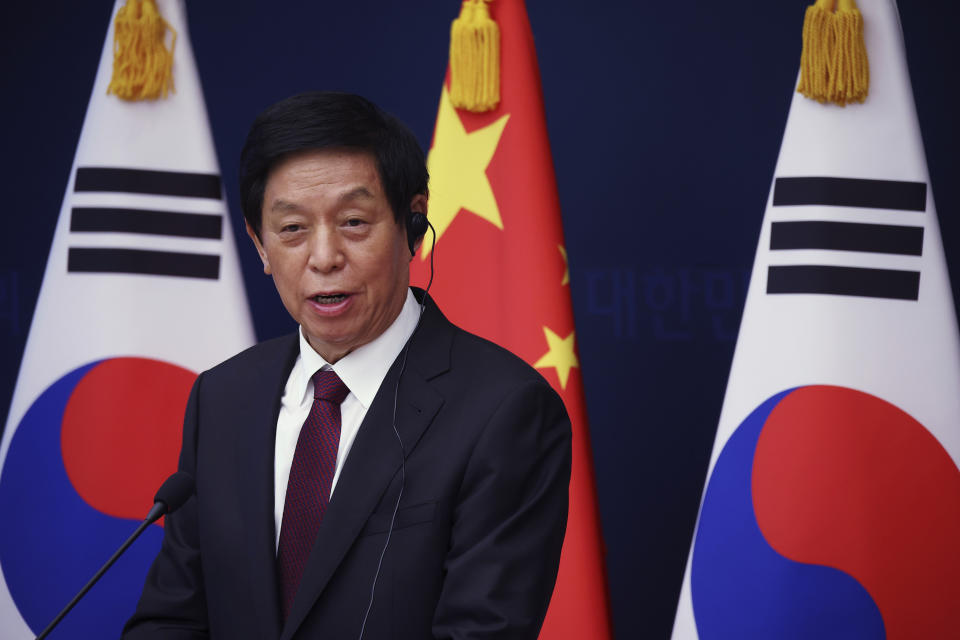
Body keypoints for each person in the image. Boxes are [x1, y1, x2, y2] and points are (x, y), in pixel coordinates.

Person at [123, 91, 571, 640]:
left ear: (413, 223)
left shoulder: (504, 409)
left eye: (354, 221)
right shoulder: (223, 398)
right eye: (292, 229)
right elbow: (171, 620)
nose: (325, 256)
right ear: (259, 246)